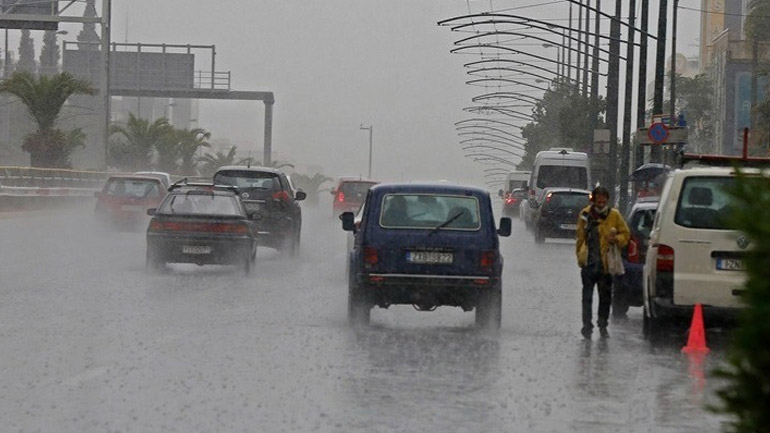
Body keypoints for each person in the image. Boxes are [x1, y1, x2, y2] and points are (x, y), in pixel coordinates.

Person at [575, 186, 630, 339]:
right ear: (593, 200)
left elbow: (625, 234)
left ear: (608, 201)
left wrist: (616, 239)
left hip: (606, 266)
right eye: (598, 202)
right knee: (586, 298)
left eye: (603, 202)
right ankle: (587, 326)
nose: (600, 205)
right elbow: (580, 238)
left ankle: (602, 325)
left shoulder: (614, 215)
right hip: (589, 264)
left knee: (605, 298)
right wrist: (580, 257)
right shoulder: (585, 214)